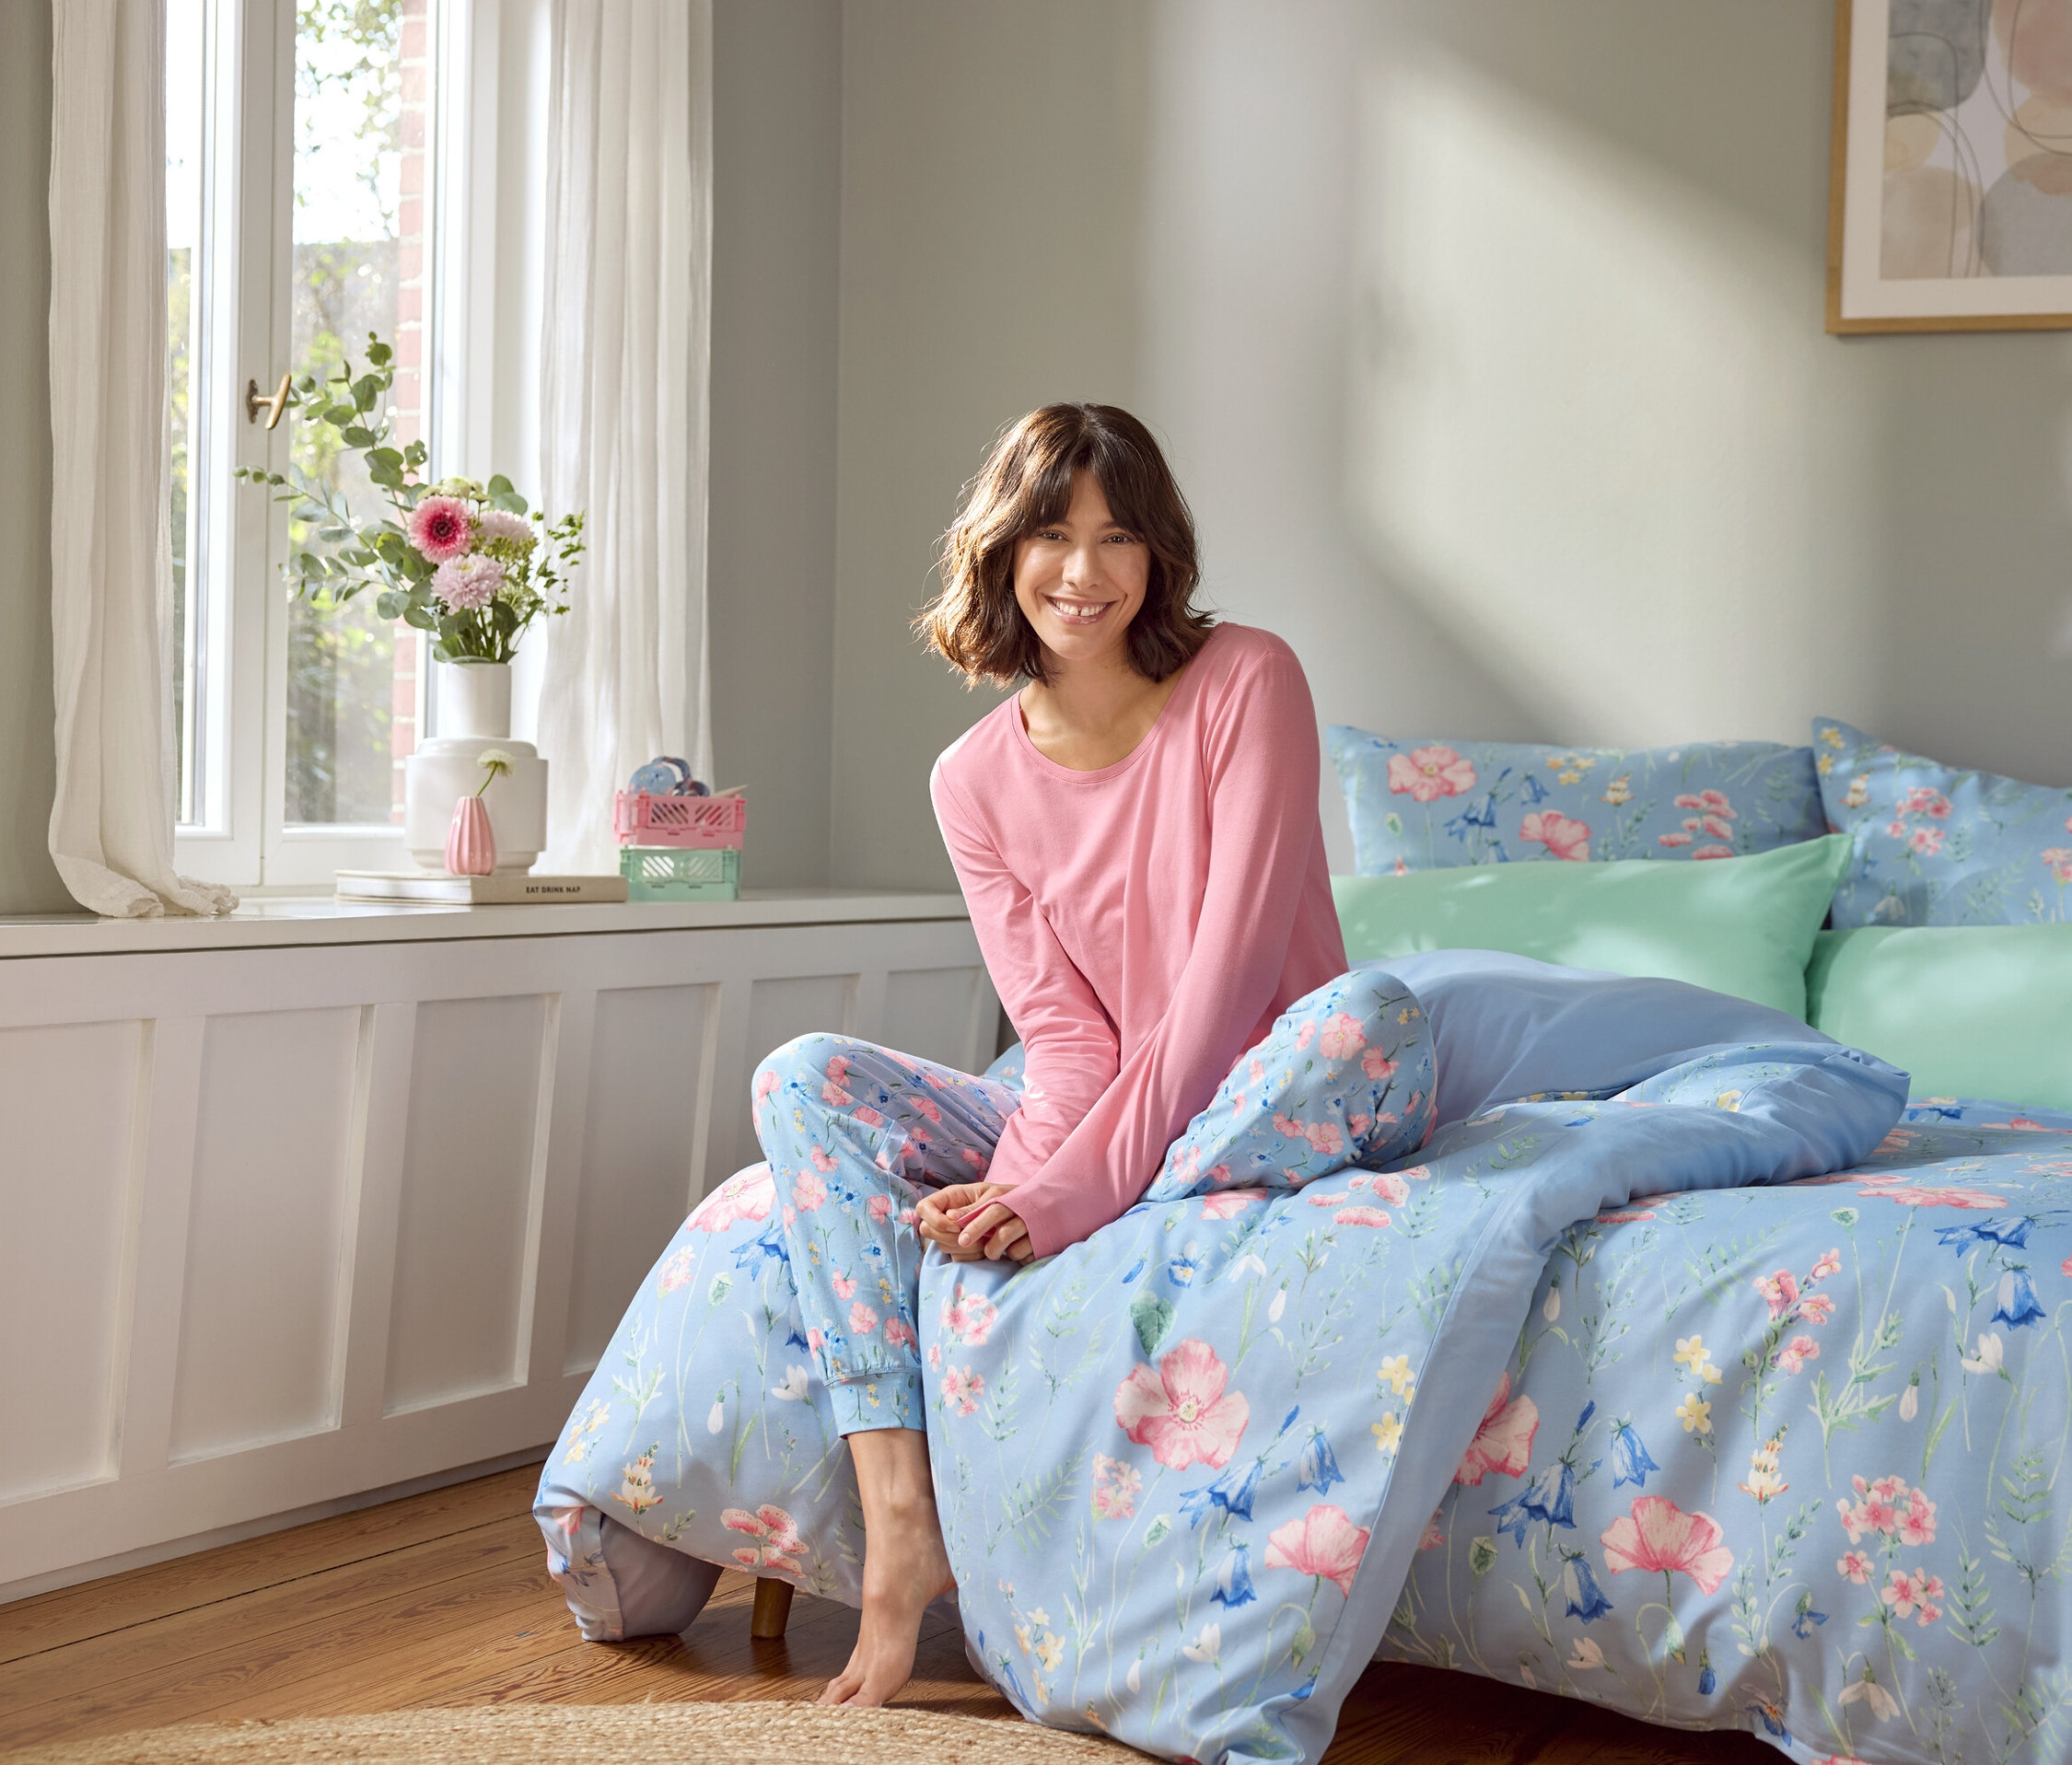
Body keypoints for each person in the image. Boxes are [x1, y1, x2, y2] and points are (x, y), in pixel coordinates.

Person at [751, 402, 1409, 1708]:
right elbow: (1061, 1034)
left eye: (1118, 538)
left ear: (1159, 556)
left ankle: (1111, 1212)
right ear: (999, 553)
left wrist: (1054, 1196)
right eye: (1050, 534)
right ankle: (899, 1527)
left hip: (1282, 1081)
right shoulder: (971, 778)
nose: (1084, 571)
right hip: (1117, 1106)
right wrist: (1026, 1172)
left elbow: (1227, 988)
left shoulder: (1248, 679)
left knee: (1369, 1015)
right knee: (800, 1078)